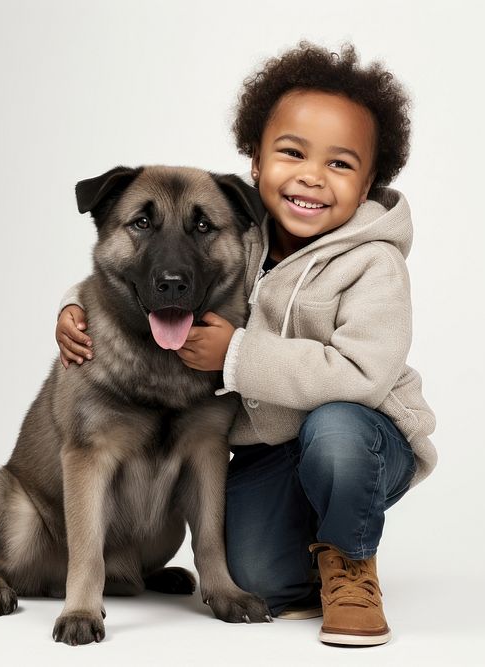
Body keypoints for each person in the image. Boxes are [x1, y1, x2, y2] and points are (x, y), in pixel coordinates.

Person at [55, 42, 436, 647]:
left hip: (364, 437)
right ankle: (311, 539)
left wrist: (234, 355)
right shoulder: (234, 233)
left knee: (336, 433)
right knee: (256, 575)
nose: (311, 175)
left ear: (369, 183)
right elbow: (152, 267)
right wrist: (77, 312)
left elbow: (361, 374)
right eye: (292, 153)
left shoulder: (375, 264)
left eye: (340, 164)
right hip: (270, 446)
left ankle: (350, 555)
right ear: (256, 165)